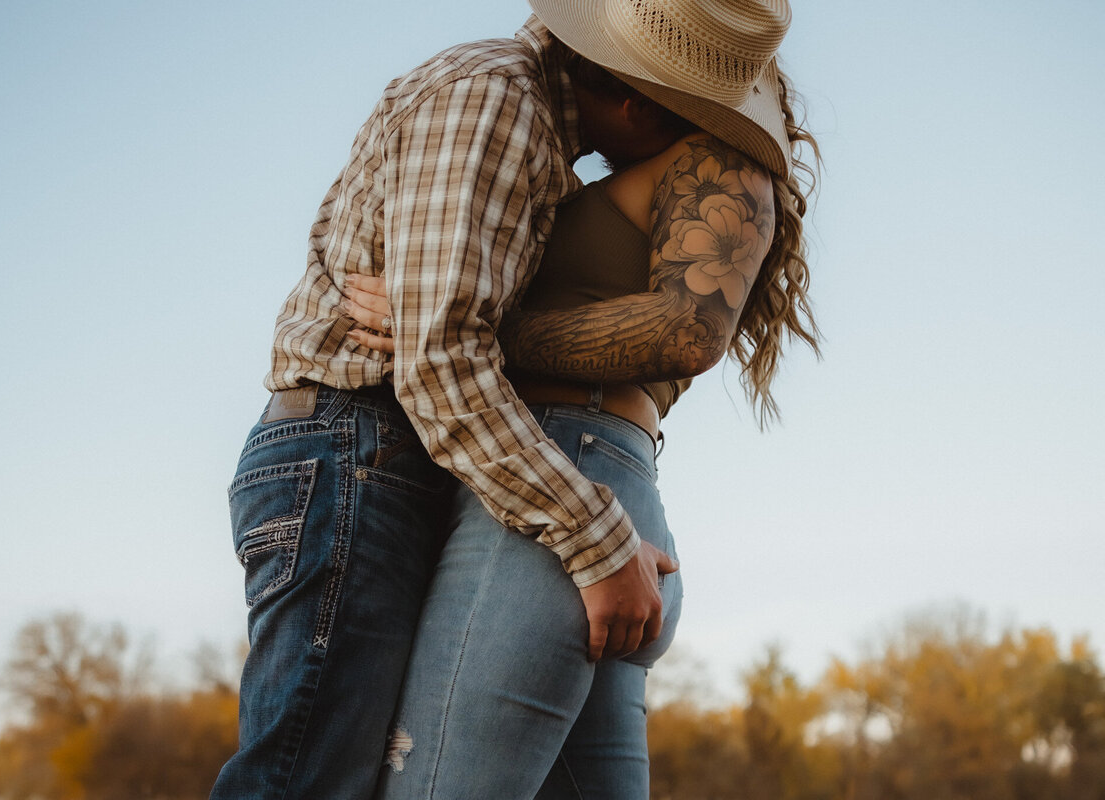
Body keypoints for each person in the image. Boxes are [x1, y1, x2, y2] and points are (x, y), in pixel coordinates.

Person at [210, 2, 739, 797]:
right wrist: (596, 537)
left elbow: (444, 340)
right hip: (353, 450)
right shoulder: (496, 102)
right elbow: (442, 364)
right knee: (304, 779)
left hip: (381, 454)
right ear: (636, 103)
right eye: (682, 124)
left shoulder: (520, 120)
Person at [340, 2, 821, 797]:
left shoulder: (718, 164)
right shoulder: (667, 166)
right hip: (586, 484)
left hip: (565, 481)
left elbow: (685, 327)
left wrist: (460, 328)